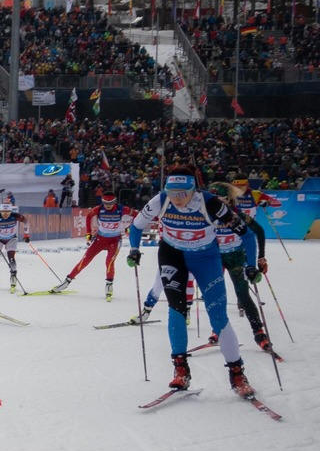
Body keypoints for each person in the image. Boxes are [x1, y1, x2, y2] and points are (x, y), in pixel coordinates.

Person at [126, 166, 253, 396]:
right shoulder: (161, 200)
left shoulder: (211, 203)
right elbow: (135, 226)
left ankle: (237, 373)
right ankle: (180, 369)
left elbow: (247, 234)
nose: (177, 199)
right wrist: (134, 249)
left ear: (194, 190)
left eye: (182, 193)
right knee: (176, 310)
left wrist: (251, 264)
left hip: (206, 258)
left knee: (218, 316)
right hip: (172, 256)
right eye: (172, 193)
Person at [208, 180, 275, 356]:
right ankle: (218, 328)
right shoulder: (206, 215)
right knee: (216, 295)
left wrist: (258, 259)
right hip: (216, 258)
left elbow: (258, 232)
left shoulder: (237, 215)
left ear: (228, 199)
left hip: (236, 257)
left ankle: (259, 333)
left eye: (218, 199)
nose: (213, 203)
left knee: (243, 295)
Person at [57, 184, 129, 298]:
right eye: (105, 203)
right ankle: (67, 281)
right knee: (85, 260)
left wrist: (130, 228)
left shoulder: (121, 209)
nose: (108, 206)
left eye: (110, 203)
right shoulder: (98, 209)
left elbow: (138, 216)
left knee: (109, 262)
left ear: (114, 202)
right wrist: (88, 233)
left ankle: (109, 285)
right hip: (100, 240)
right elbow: (88, 217)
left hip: (115, 241)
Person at [0, 191, 32, 294]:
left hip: (11, 239)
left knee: (11, 258)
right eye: (3, 212)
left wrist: (26, 235)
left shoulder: (15, 215)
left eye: (7, 212)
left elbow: (26, 221)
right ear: (0, 211)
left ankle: (13, 277)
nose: (5, 214)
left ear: (11, 211)